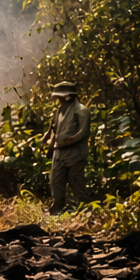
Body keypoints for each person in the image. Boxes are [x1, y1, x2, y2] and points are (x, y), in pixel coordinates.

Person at [48, 81, 91, 212]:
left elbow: (82, 133)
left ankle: (84, 211)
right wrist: (50, 145)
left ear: (67, 96)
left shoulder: (82, 111)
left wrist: (69, 140)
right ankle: (57, 208)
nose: (57, 100)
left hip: (75, 154)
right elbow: (54, 130)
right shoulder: (59, 111)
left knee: (76, 181)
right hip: (59, 154)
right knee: (56, 181)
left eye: (59, 97)